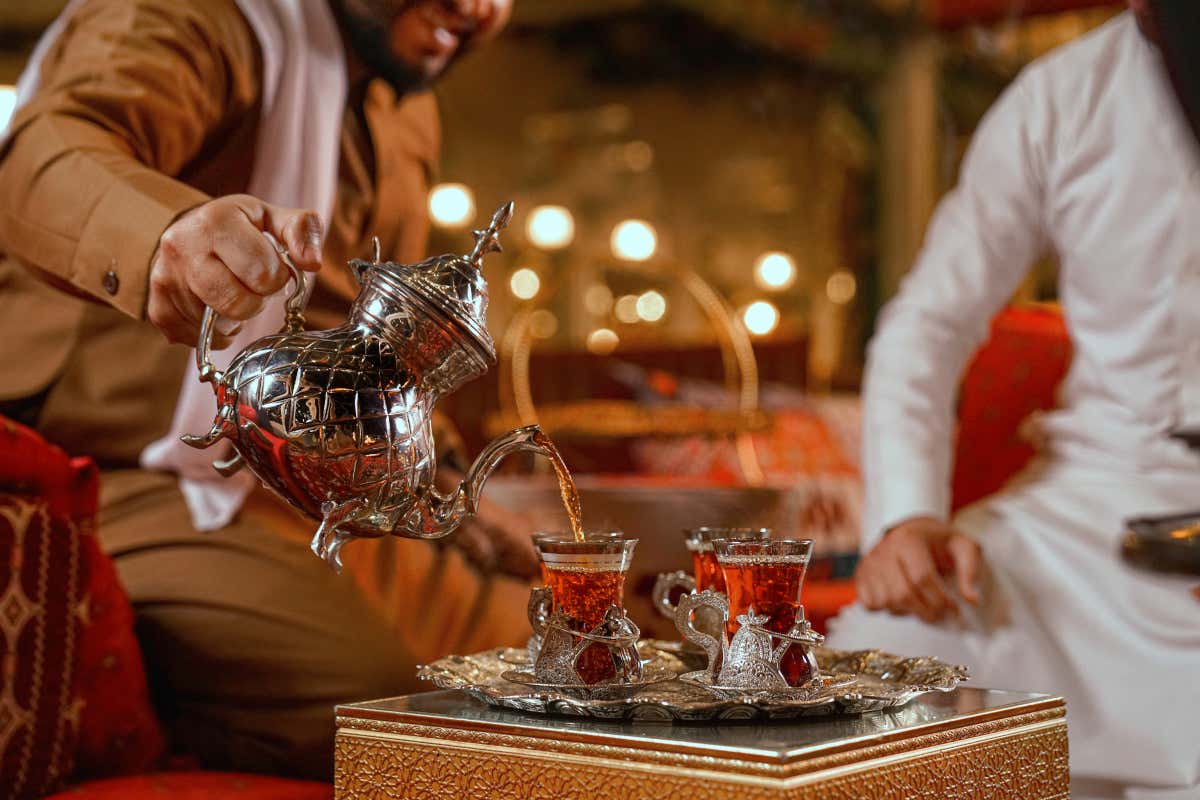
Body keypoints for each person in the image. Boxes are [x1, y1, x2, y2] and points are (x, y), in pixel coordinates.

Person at [0, 0, 539, 780]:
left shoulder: (403, 105)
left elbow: (367, 344)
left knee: (560, 658)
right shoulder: (195, 18)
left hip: (310, 488)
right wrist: (162, 238)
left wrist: (450, 482)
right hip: (117, 475)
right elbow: (41, 155)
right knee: (391, 716)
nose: (475, 6)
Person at [828, 3, 1200, 798]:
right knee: (896, 647)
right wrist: (907, 519)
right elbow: (926, 326)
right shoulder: (1061, 96)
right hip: (1090, 512)